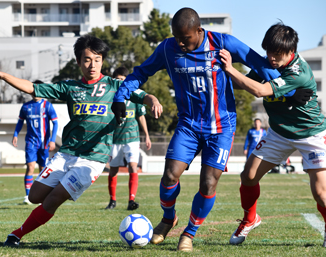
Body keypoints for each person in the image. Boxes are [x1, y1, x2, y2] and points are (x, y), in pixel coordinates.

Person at [111, 7, 290, 252]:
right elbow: (142, 72)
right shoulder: (167, 48)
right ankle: (168, 218)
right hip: (188, 126)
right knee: (169, 176)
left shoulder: (223, 43)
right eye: (177, 38)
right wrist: (121, 96)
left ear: (199, 31)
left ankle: (189, 232)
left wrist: (285, 87)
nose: (181, 43)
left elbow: (257, 63)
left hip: (221, 127)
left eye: (186, 38)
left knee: (208, 184)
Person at [0, 34, 163, 247]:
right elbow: (32, 87)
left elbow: (143, 95)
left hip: (93, 159)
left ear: (102, 60)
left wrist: (154, 101)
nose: (92, 64)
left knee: (54, 198)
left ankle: (16, 235)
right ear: (78, 61)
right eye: (86, 59)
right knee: (35, 196)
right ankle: (26, 224)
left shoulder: (116, 86)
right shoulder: (70, 88)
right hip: (66, 154)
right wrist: (3, 76)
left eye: (97, 59)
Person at [219, 22, 326, 247]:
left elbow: (259, 90)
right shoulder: (269, 63)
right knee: (248, 177)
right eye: (268, 52)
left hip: (311, 134)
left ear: (291, 52)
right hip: (279, 132)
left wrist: (231, 69)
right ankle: (250, 219)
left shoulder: (299, 72)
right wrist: (218, 72)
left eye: (277, 55)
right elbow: (246, 83)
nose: (272, 59)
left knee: (321, 193)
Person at [105, 67, 152, 211]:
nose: (120, 82)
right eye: (118, 79)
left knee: (133, 166)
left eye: (123, 79)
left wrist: (147, 136)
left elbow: (141, 116)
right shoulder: (110, 98)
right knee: (113, 170)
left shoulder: (134, 96)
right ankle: (112, 200)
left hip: (132, 138)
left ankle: (131, 200)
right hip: (115, 139)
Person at [13, 80, 58, 205]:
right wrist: (15, 134)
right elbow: (20, 122)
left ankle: (41, 197)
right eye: (34, 89)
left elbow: (55, 123)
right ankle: (28, 196)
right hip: (31, 142)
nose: (36, 92)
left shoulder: (47, 106)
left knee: (43, 170)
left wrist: (52, 140)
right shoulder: (26, 107)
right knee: (30, 167)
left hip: (44, 143)